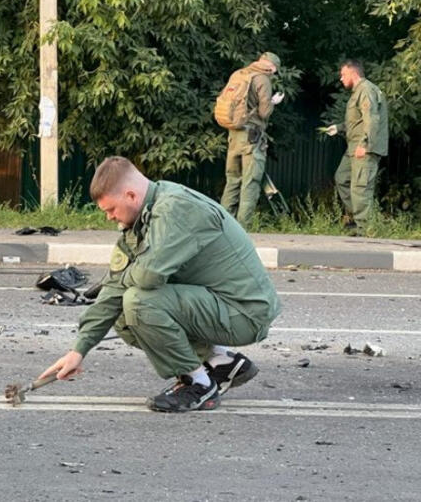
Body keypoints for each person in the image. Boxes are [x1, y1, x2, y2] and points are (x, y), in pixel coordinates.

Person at [39, 156, 281, 413]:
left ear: (131, 195)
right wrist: (79, 350)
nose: (109, 217)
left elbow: (147, 277)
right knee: (121, 311)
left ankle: (198, 384)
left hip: (244, 312)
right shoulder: (142, 218)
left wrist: (123, 280)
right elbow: (114, 287)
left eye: (111, 210)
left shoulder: (175, 210)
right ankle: (220, 361)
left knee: (139, 301)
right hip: (218, 303)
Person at [219, 51, 284, 228]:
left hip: (233, 135)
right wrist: (272, 102)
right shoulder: (262, 79)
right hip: (252, 138)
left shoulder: (238, 74)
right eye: (274, 70)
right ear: (271, 67)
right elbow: (264, 112)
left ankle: (224, 227)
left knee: (232, 180)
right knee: (251, 182)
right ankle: (242, 229)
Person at [323, 60, 388, 235]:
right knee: (342, 178)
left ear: (353, 73)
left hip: (363, 147)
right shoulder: (358, 92)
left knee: (360, 187)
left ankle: (365, 230)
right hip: (353, 147)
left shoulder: (366, 90)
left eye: (343, 74)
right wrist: (338, 128)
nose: (341, 78)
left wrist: (365, 145)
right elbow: (357, 120)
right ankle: (355, 219)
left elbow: (372, 119)